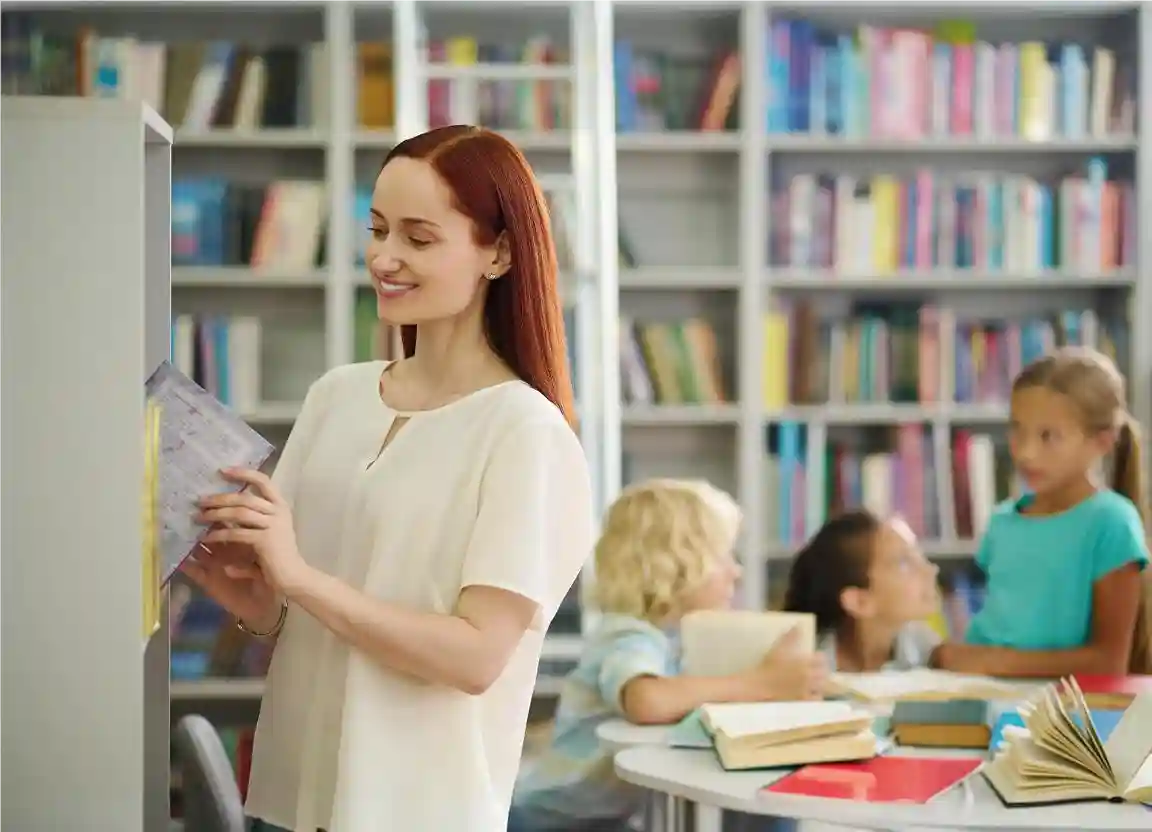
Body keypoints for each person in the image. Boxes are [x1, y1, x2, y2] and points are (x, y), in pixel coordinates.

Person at [183, 125, 594, 832]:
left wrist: (303, 580)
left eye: (419, 238)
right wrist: (254, 595)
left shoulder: (526, 434)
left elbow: (475, 657)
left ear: (497, 252)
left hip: (419, 810)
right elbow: (298, 612)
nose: (385, 257)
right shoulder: (335, 397)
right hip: (294, 799)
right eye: (377, 230)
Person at [508, 479, 826, 832]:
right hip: (548, 822)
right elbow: (648, 701)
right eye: (723, 557)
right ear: (675, 565)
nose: (736, 571)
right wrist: (761, 682)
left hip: (604, 819)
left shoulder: (672, 640)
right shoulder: (626, 635)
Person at [931, 346, 1152, 677]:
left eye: (1049, 436)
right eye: (1017, 429)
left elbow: (1108, 662)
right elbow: (1000, 630)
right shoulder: (1003, 520)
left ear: (1101, 442)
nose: (1026, 452)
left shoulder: (1111, 523)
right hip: (984, 694)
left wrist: (995, 663)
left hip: (1057, 712)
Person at [783, 510, 942, 672]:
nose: (930, 570)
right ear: (860, 602)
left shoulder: (920, 643)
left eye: (919, 557)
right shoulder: (804, 666)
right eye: (903, 563)